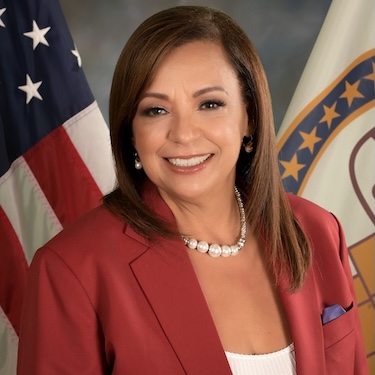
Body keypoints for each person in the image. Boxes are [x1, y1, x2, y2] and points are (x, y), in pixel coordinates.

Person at [17, 6, 368, 375]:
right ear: (131, 132)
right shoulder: (73, 270)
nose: (183, 134)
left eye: (210, 104)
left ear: (249, 116)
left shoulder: (317, 230)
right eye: (155, 110)